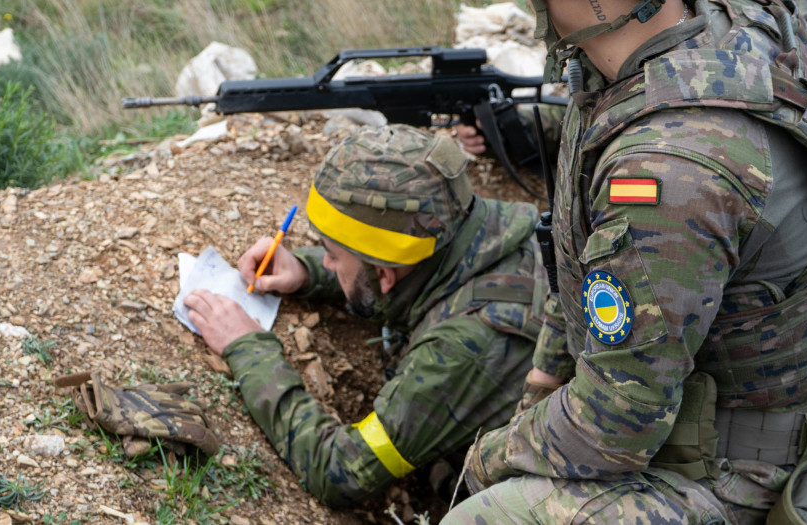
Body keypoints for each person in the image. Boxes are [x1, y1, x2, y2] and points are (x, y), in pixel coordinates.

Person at [444, 0, 807, 523]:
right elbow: (582, 270)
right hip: (751, 400)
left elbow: (612, 428)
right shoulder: (723, 27)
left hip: (742, 471)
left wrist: (487, 462)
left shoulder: (668, 167)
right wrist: (540, 389)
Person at [184, 124, 548, 507]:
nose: (326, 261)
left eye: (332, 255)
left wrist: (249, 349)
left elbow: (339, 470)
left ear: (385, 274)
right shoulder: (485, 228)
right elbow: (392, 278)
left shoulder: (467, 345)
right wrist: (309, 272)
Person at [457, 0, 807, 268]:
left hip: (751, 395)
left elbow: (623, 409)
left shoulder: (667, 167)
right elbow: (664, 90)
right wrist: (525, 131)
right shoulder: (732, 16)